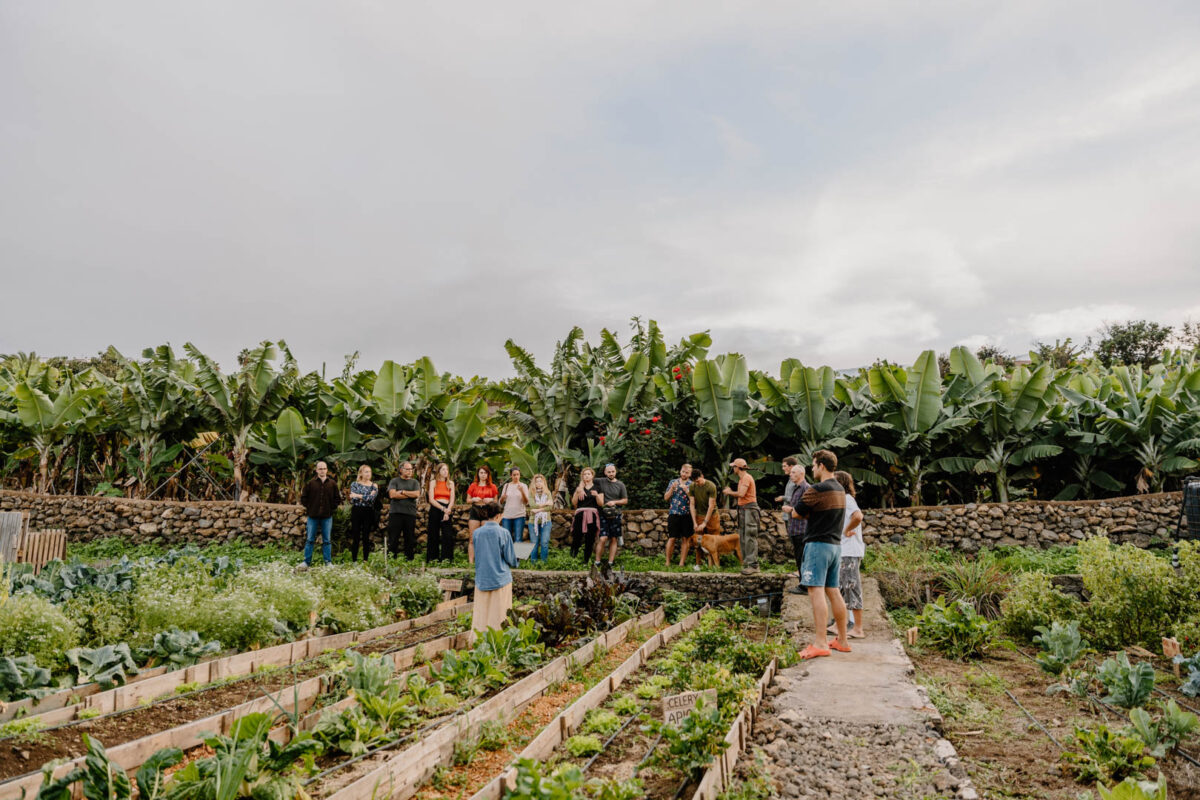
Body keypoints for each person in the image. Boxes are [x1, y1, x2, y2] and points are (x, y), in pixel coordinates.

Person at [793, 449, 851, 659]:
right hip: (835, 546)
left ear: (822, 466)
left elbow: (796, 512)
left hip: (818, 545)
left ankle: (820, 642)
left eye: (814, 464)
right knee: (833, 591)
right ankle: (842, 640)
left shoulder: (817, 489)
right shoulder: (840, 490)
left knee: (815, 591)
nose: (812, 468)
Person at [469, 502, 517, 633]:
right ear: (498, 516)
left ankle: (478, 640)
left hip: (482, 579)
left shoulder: (477, 533)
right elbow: (510, 558)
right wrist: (515, 562)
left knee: (481, 614)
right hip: (500, 578)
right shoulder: (504, 533)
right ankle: (498, 641)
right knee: (500, 615)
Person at [831, 470, 866, 639]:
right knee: (842, 589)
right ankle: (842, 625)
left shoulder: (847, 499)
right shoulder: (841, 500)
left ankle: (858, 628)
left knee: (852, 587)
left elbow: (858, 516)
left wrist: (846, 530)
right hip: (843, 551)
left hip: (850, 551)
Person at [723, 458, 761, 575]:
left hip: (750, 509)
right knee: (744, 536)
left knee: (750, 535)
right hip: (744, 509)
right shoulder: (742, 479)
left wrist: (729, 492)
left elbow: (741, 494)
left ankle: (753, 565)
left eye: (734, 466)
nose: (733, 469)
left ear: (738, 468)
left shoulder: (746, 478)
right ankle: (748, 563)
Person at [301, 461, 340, 566]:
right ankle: (306, 562)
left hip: (327, 516)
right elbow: (304, 498)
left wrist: (331, 508)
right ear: (316, 470)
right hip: (312, 516)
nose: (322, 470)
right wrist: (310, 507)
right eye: (320, 469)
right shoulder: (310, 483)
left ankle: (328, 562)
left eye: (324, 468)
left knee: (327, 540)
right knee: (310, 540)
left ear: (327, 470)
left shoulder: (332, 484)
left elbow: (337, 499)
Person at [780, 463, 809, 594]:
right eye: (791, 473)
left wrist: (790, 509)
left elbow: (806, 508)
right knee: (798, 557)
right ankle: (802, 583)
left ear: (801, 474)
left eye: (793, 473)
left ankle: (804, 586)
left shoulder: (806, 488)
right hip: (795, 528)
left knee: (802, 557)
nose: (791, 475)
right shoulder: (796, 488)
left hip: (801, 529)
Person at [594, 463, 628, 569]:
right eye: (609, 472)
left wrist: (615, 502)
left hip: (615, 514)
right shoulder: (600, 481)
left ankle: (610, 563)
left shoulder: (621, 485)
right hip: (603, 514)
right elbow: (587, 480)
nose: (611, 473)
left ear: (615, 471)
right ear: (605, 472)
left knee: (614, 539)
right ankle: (597, 562)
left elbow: (625, 500)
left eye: (613, 471)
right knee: (603, 538)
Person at [386, 461, 421, 561]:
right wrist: (409, 495)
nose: (410, 471)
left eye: (411, 469)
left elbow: (417, 494)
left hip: (410, 514)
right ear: (401, 470)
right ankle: (391, 560)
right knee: (393, 538)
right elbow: (392, 495)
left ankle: (409, 560)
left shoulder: (415, 482)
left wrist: (402, 491)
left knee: (409, 538)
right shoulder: (394, 481)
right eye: (407, 469)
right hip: (396, 513)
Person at [685, 468, 719, 569]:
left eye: (698, 481)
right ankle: (698, 564)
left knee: (715, 540)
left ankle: (715, 565)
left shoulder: (711, 486)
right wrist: (695, 522)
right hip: (699, 515)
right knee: (697, 541)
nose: (698, 483)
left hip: (712, 516)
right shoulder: (692, 486)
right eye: (695, 482)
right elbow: (692, 504)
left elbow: (711, 506)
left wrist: (705, 523)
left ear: (702, 476)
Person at [347, 465, 380, 562]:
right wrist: (364, 496)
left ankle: (365, 559)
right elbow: (353, 499)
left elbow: (371, 499)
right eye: (366, 472)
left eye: (369, 472)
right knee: (356, 535)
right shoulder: (354, 484)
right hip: (357, 510)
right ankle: (354, 560)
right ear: (361, 473)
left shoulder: (374, 485)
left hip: (368, 511)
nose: (368, 474)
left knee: (366, 536)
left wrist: (357, 495)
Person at [466, 466, 498, 562]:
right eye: (481, 473)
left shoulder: (492, 486)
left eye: (485, 473)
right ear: (478, 474)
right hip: (475, 509)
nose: (483, 475)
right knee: (472, 538)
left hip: (487, 511)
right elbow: (467, 500)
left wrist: (491, 500)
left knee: (485, 538)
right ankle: (471, 563)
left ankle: (484, 560)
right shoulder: (473, 485)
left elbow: (496, 501)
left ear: (488, 474)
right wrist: (473, 499)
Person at [663, 464, 693, 566]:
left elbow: (694, 500)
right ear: (680, 471)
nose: (684, 474)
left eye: (687, 472)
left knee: (685, 539)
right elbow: (666, 498)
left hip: (687, 514)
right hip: (674, 513)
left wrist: (687, 491)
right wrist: (672, 488)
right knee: (672, 538)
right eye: (683, 472)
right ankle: (667, 562)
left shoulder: (692, 484)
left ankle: (681, 563)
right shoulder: (673, 482)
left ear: (690, 473)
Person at [426, 462, 456, 563]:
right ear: (438, 471)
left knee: (447, 534)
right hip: (436, 508)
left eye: (447, 470)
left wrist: (447, 511)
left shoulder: (451, 483)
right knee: (433, 533)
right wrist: (443, 509)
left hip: (447, 508)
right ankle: (432, 558)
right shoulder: (433, 482)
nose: (445, 472)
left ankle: (446, 559)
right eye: (443, 469)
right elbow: (431, 499)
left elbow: (452, 499)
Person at [570, 467, 603, 560]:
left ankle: (586, 559)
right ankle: (573, 557)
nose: (586, 476)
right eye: (584, 474)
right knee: (577, 536)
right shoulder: (579, 488)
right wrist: (577, 492)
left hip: (592, 514)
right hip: (580, 514)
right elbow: (574, 503)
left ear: (592, 476)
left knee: (590, 538)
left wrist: (596, 495)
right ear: (582, 477)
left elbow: (601, 503)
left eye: (588, 474)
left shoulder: (597, 488)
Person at [498, 467, 531, 544]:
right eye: (514, 475)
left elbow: (526, 502)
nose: (516, 476)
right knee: (506, 538)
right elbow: (500, 502)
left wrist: (522, 491)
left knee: (518, 538)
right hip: (507, 515)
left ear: (520, 475)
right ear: (511, 476)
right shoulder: (506, 486)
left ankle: (517, 556)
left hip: (519, 515)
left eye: (518, 474)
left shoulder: (524, 486)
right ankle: (507, 556)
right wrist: (502, 498)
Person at [528, 473, 553, 564]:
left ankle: (543, 563)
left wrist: (538, 509)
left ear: (543, 482)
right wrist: (546, 503)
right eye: (536, 481)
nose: (538, 483)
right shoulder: (531, 493)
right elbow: (532, 505)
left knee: (544, 542)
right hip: (533, 521)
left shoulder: (548, 493)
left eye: (540, 481)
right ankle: (533, 563)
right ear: (534, 483)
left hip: (546, 521)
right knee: (534, 543)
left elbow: (550, 508)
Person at [775, 456, 800, 529]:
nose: (783, 468)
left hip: (793, 516)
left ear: (791, 466)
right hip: (787, 516)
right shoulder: (790, 479)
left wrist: (783, 497)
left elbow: (797, 498)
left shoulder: (796, 481)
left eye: (784, 466)